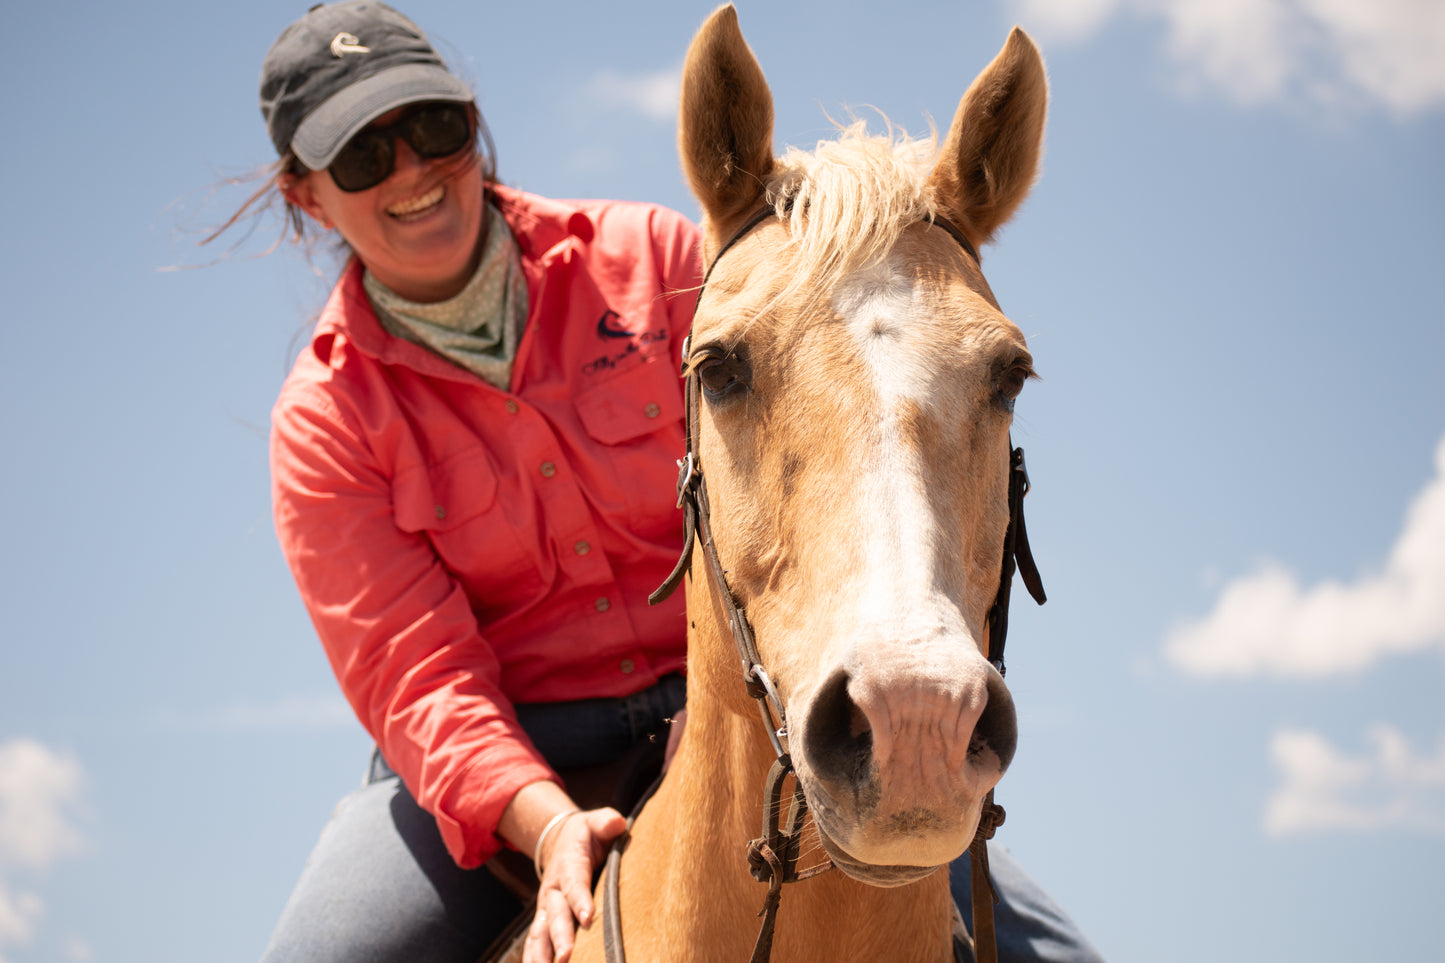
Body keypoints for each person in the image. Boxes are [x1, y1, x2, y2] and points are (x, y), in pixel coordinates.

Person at [238, 4, 1106, 962]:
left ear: (472, 130)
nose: (410, 169)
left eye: (433, 128)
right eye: (362, 155)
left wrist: (754, 688)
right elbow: (413, 673)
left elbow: (822, 466)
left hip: (745, 699)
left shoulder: (657, 262)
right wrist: (540, 818)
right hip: (511, 753)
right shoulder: (324, 418)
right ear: (308, 197)